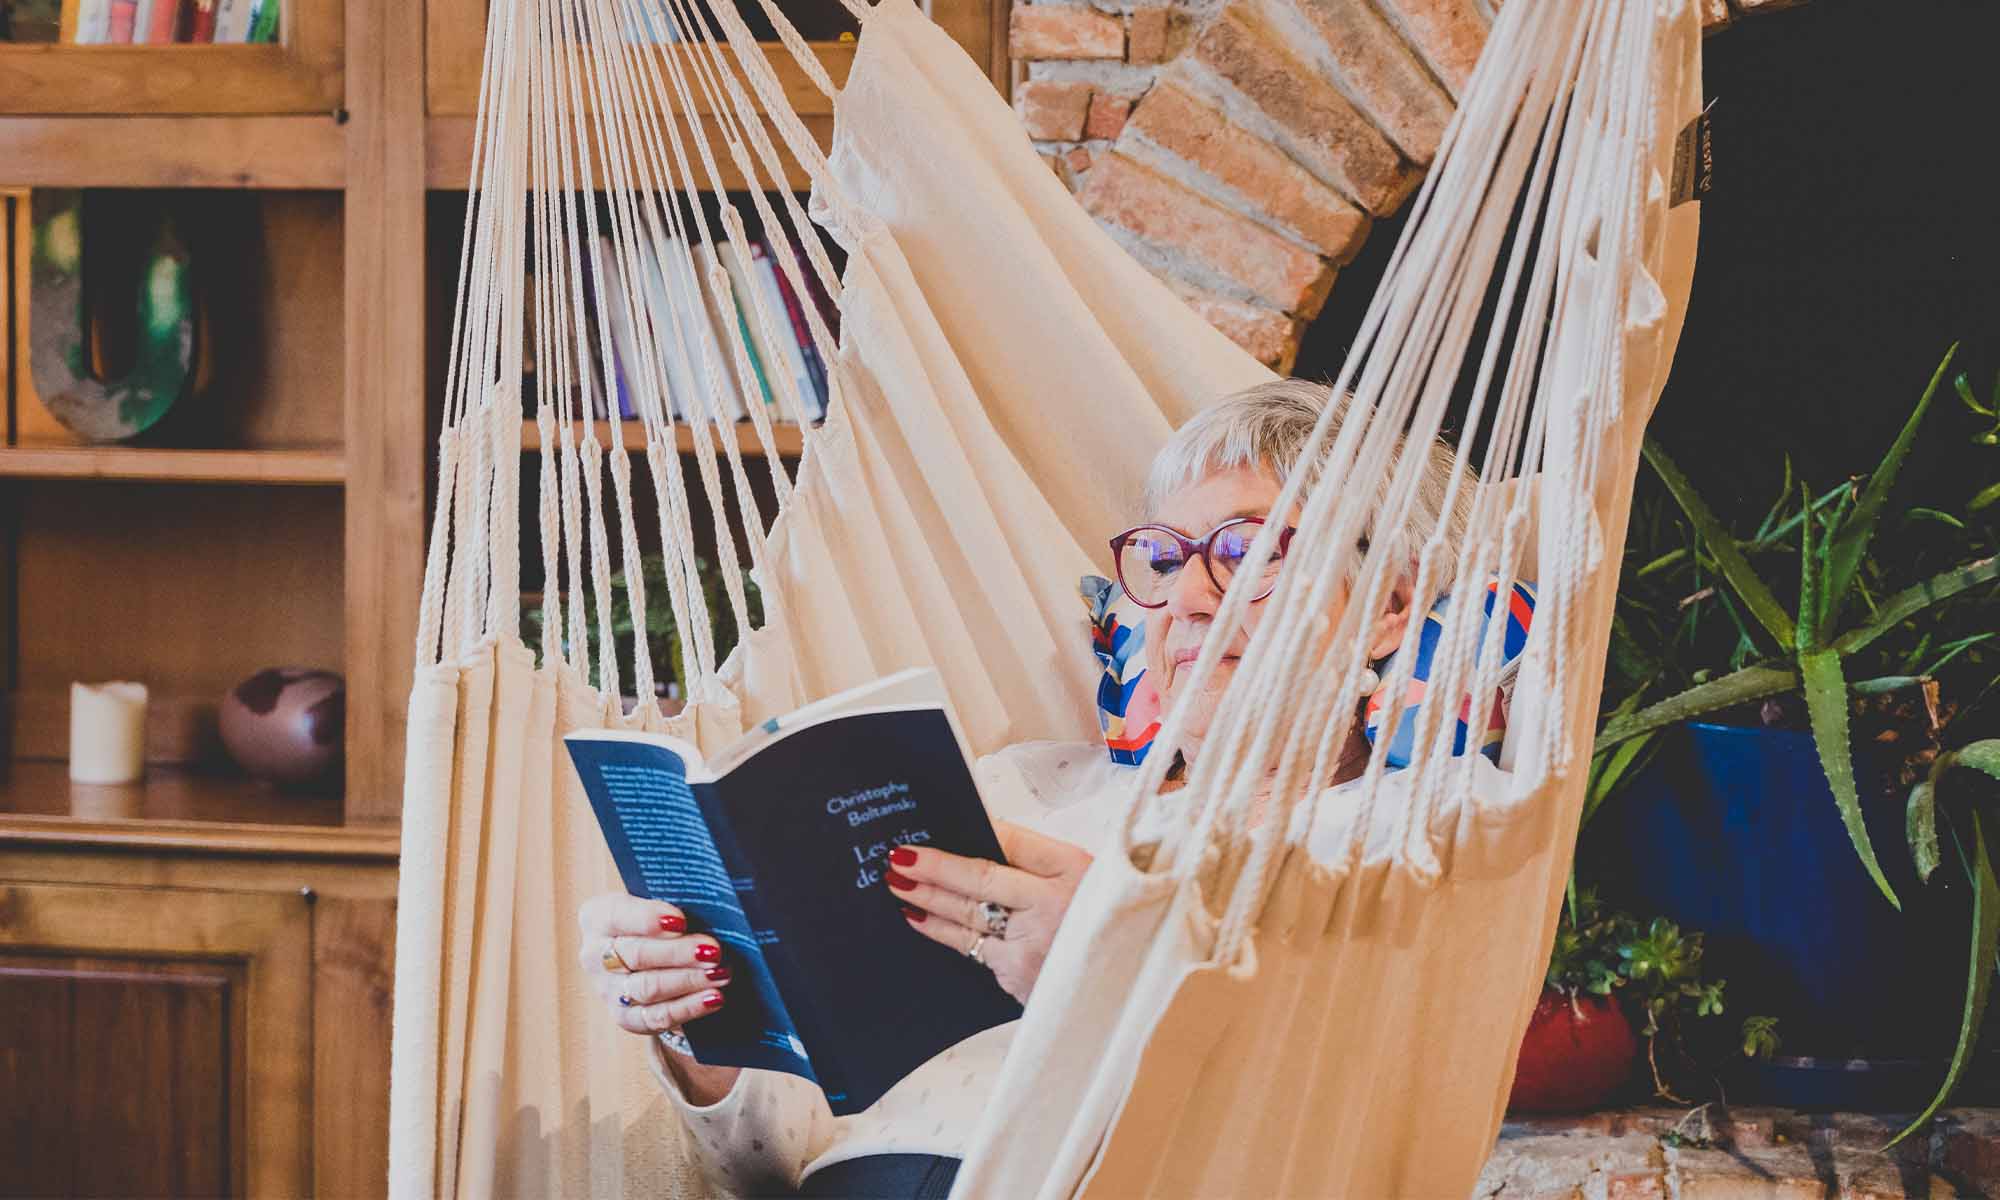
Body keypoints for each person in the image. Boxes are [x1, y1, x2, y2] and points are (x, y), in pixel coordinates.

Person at [576, 378, 1477, 1197]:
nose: (1191, 599)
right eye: (1162, 560)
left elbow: (1352, 1145)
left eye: (1249, 549)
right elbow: (766, 1169)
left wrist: (1112, 976)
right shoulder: (1015, 792)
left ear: (1389, 603)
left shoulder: (1435, 838)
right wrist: (704, 1031)